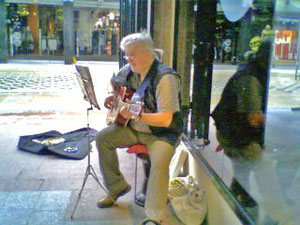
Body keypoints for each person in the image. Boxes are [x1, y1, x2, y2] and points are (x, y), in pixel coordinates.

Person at [95, 32, 183, 225]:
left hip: (161, 134)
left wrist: (136, 115)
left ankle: (155, 215)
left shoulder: (165, 78)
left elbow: (166, 120)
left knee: (159, 161)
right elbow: (115, 82)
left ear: (148, 53)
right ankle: (117, 186)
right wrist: (115, 97)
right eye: (127, 54)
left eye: (132, 54)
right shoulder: (130, 69)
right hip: (135, 128)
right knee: (103, 138)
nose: (128, 58)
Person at [211, 39, 294, 224]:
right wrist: (285, 121)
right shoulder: (251, 78)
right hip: (236, 134)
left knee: (243, 170)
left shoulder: (253, 70)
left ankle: (236, 205)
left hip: (233, 131)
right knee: (265, 172)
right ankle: (278, 215)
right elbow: (254, 118)